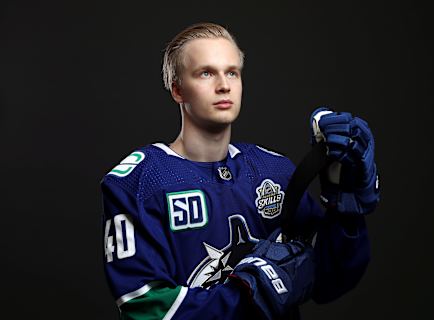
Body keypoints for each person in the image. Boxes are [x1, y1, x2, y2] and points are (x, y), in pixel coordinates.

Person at [101, 22, 379, 320]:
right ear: (178, 89)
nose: (224, 85)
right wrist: (248, 292)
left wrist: (345, 205)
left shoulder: (272, 170)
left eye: (232, 72)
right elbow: (144, 309)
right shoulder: (141, 181)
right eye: (206, 73)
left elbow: (331, 280)